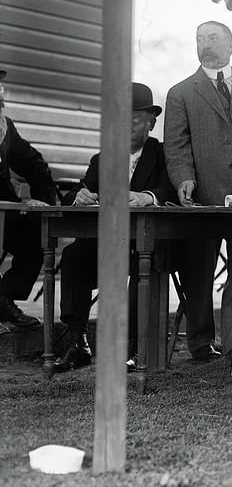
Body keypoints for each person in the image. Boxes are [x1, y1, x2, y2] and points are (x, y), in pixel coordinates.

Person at [53, 83, 176, 372]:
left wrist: (149, 197)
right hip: (107, 247)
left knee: (140, 262)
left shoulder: (163, 155)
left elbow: (170, 190)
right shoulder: (102, 158)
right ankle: (76, 342)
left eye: (133, 121)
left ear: (151, 123)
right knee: (73, 256)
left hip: (148, 245)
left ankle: (135, 345)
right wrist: (78, 197)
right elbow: (81, 191)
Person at [164, 20, 232, 359]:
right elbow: (175, 145)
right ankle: (201, 342)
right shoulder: (181, 92)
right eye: (200, 38)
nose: (206, 44)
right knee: (200, 267)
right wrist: (183, 179)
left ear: (231, 45)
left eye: (214, 38)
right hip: (204, 195)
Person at [0, 70, 57, 329]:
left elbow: (35, 165)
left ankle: (4, 297)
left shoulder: (4, 126)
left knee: (39, 228)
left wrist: (43, 202)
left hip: (4, 213)